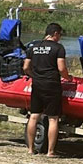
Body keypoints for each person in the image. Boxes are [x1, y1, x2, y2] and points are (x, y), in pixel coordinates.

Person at [23, 23, 69, 157]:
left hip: (37, 84)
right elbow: (61, 68)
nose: (60, 37)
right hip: (52, 85)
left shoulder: (34, 47)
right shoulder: (58, 48)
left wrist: (34, 75)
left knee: (34, 116)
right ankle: (50, 151)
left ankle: (30, 149)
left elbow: (26, 67)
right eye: (60, 34)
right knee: (53, 119)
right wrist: (68, 77)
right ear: (55, 34)